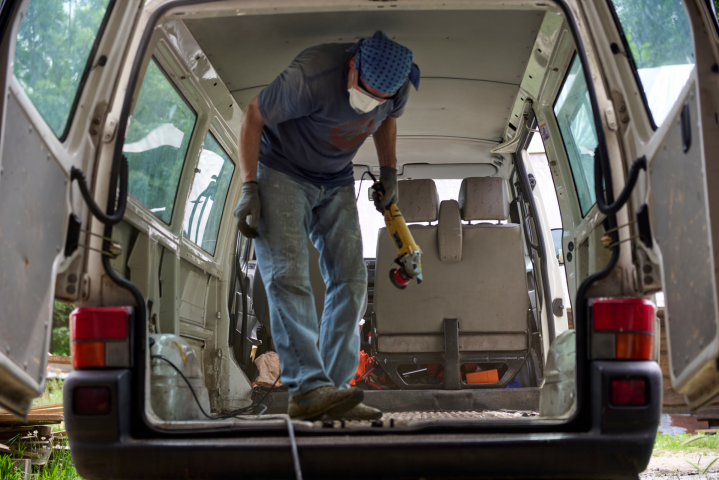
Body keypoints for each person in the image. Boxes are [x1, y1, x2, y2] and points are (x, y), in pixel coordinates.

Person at [233, 31, 420, 421]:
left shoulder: (397, 88)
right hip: (281, 171)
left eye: (380, 98)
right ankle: (307, 390)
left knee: (351, 280)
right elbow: (253, 114)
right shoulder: (311, 76)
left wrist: (388, 171)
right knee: (288, 275)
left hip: (336, 179)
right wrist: (250, 186)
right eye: (365, 92)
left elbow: (387, 119)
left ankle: (333, 392)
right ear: (352, 65)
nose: (371, 103)